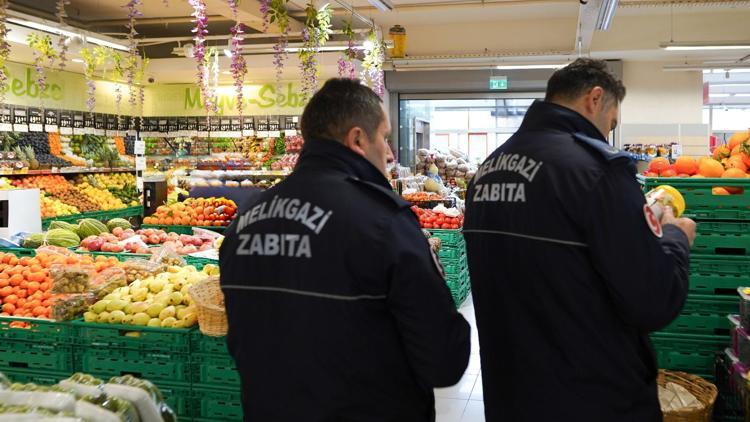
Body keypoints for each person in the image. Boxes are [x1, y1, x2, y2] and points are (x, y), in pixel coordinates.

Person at [219, 78, 470, 422]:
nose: (391, 152)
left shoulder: (247, 219)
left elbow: (241, 340)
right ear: (357, 139)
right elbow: (444, 360)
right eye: (384, 137)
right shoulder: (383, 221)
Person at [463, 58, 696, 421]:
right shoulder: (597, 172)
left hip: (510, 394)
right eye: (611, 123)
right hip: (593, 396)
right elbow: (654, 300)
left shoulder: (487, 170)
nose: (607, 133)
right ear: (595, 98)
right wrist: (675, 238)